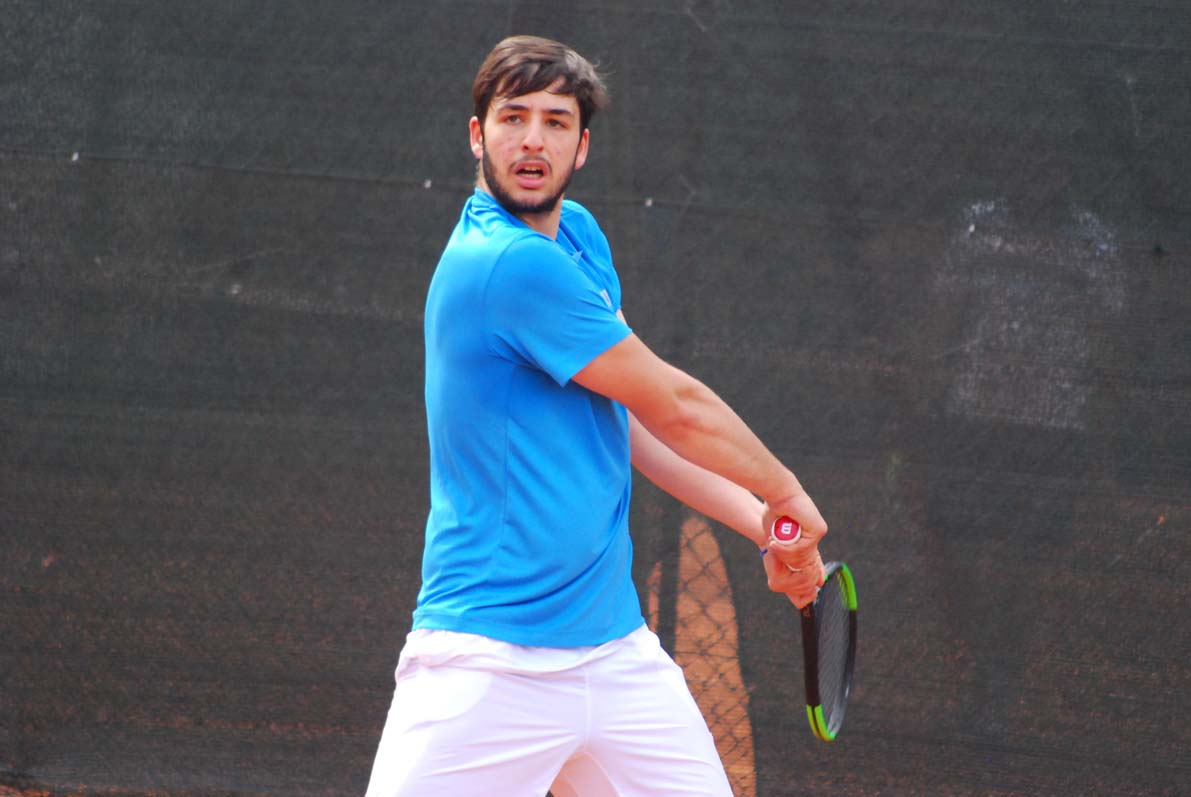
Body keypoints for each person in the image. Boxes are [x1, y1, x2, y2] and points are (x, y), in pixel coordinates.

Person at [365, 35, 828, 797]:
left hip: (615, 656)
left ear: (581, 147)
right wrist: (786, 493)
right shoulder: (505, 264)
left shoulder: (576, 236)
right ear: (477, 135)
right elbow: (678, 404)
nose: (532, 140)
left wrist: (766, 526)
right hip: (488, 659)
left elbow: (634, 420)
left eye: (555, 122)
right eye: (513, 118)